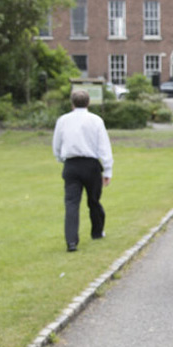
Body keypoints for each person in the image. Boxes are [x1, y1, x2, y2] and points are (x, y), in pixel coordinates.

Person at [52, 89, 114, 252]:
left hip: (71, 165)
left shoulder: (63, 120)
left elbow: (57, 143)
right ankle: (97, 231)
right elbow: (103, 146)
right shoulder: (95, 120)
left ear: (72, 103)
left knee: (71, 203)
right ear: (88, 102)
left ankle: (71, 241)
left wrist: (60, 158)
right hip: (90, 165)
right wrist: (107, 170)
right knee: (93, 200)